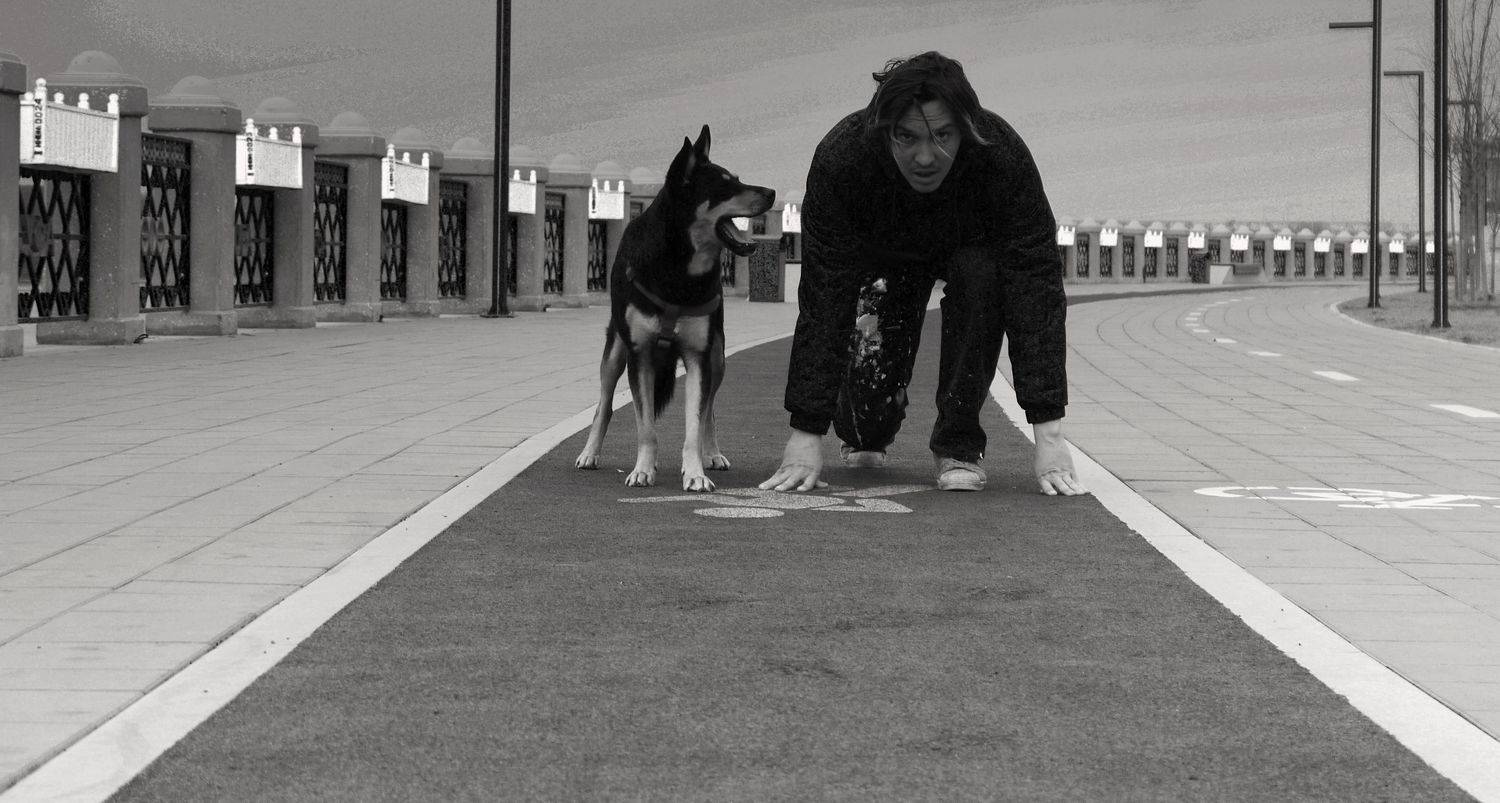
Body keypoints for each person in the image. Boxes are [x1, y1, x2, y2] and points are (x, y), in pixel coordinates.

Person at [758, 51, 1087, 496]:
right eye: (907, 138)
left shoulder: (1000, 156)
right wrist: (806, 431)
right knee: (866, 426)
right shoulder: (844, 159)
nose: (926, 157)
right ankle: (864, 431)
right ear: (884, 130)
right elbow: (824, 295)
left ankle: (958, 443)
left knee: (984, 276)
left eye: (943, 136)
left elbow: (1036, 287)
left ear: (966, 127)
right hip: (882, 260)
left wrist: (1049, 433)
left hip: (966, 254)